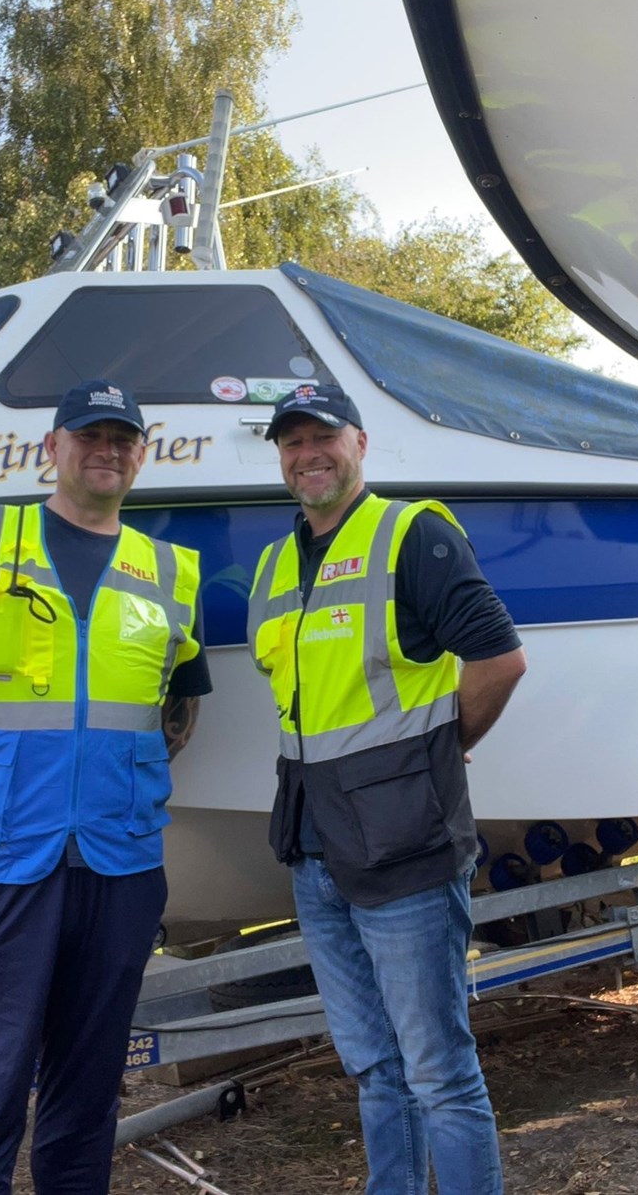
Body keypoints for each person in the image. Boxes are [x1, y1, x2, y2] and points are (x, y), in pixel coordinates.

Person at [0, 379, 211, 1195]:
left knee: (89, 1092)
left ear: (142, 453)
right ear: (52, 447)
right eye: (88, 434)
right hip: (2, 861)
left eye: (122, 437)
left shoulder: (170, 569)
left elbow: (180, 705)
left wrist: (129, 783)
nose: (106, 449)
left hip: (120, 865)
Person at [247, 383, 525, 1195]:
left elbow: (500, 659)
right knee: (373, 1065)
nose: (309, 454)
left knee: (439, 1070)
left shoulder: (412, 535)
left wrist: (445, 749)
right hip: (313, 847)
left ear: (360, 442)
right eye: (292, 441)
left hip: (405, 846)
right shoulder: (272, 565)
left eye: (322, 436)